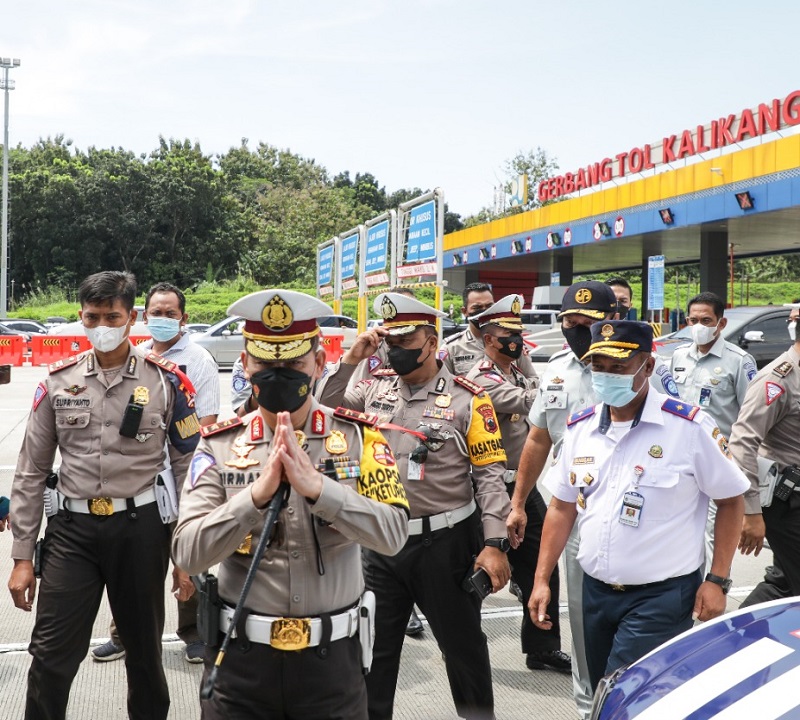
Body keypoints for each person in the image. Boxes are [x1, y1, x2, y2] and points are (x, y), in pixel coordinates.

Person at [172, 289, 409, 720]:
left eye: (294, 364)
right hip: (241, 663)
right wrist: (255, 497)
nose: (278, 375)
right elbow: (188, 551)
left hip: (332, 664)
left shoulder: (359, 438)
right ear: (245, 364)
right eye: (266, 363)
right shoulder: (218, 446)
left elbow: (393, 535)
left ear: (320, 363)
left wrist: (321, 490)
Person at [7, 270, 202, 720]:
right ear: (81, 316)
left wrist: (186, 554)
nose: (101, 325)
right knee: (51, 656)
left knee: (145, 657)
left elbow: (188, 469)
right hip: (72, 534)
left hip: (142, 531)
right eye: (92, 316)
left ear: (130, 317)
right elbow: (31, 472)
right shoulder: (57, 382)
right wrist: (21, 557)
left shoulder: (166, 382)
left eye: (111, 316)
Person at [320, 291, 511, 720]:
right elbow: (327, 408)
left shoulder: (469, 399)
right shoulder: (375, 388)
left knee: (462, 649)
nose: (394, 351)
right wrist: (351, 358)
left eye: (404, 343)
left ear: (431, 340)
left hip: (445, 545)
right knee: (373, 650)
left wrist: (494, 542)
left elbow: (489, 474)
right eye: (389, 342)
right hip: (381, 544)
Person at [530, 320, 748, 691]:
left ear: (647, 367)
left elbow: (730, 500)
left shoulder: (688, 428)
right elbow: (562, 506)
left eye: (618, 367)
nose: (606, 377)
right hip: (596, 593)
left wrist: (717, 580)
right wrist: (540, 580)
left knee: (627, 693)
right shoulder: (581, 428)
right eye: (598, 367)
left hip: (660, 598)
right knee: (604, 692)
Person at [510, 280, 680, 719]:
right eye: (570, 322)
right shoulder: (556, 370)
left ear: (610, 321)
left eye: (588, 323)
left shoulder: (650, 369)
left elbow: (681, 438)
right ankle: (590, 709)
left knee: (647, 638)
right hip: (575, 518)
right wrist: (517, 503)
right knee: (588, 634)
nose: (577, 330)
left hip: (646, 522)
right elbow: (538, 439)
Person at [91, 281, 220, 665]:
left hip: (182, 472)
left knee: (189, 551)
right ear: (142, 315)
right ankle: (123, 634)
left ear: (184, 317)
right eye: (155, 313)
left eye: (170, 313)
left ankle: (195, 633)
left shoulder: (198, 360)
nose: (161, 319)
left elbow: (208, 421)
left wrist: (191, 475)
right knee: (132, 561)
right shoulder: (137, 355)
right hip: (140, 476)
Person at [465, 294, 570, 674]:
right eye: (509, 334)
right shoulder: (480, 379)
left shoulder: (515, 370)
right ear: (489, 339)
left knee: (542, 563)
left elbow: (535, 390)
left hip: (521, 488)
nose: (518, 340)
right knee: (478, 571)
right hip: (488, 489)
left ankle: (542, 647)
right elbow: (533, 402)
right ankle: (461, 645)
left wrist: (523, 360)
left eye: (519, 333)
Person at [670, 291, 757, 575]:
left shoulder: (739, 361)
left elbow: (749, 418)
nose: (699, 326)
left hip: (718, 461)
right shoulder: (678, 356)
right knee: (679, 531)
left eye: (706, 320)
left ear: (721, 323)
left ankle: (714, 592)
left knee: (712, 535)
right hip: (679, 460)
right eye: (693, 319)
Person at [731, 302, 800, 605]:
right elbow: (742, 442)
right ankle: (736, 638)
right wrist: (751, 511)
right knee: (787, 586)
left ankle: (737, 638)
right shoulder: (777, 379)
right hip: (788, 502)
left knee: (784, 582)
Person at [439, 281, 539, 381]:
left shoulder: (510, 340)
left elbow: (532, 378)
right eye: (477, 307)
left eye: (489, 306)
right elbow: (443, 386)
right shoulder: (452, 348)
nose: (485, 311)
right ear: (464, 311)